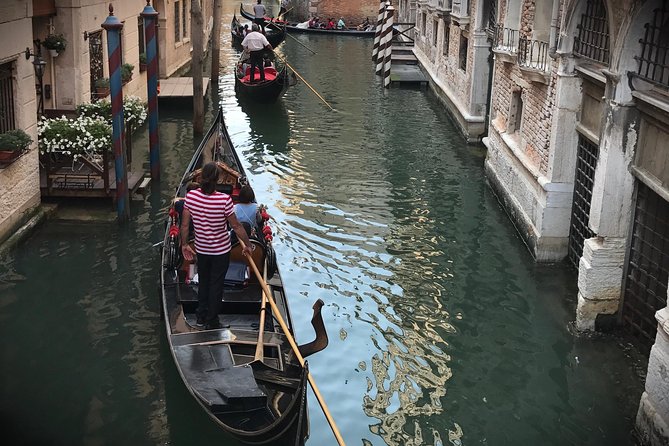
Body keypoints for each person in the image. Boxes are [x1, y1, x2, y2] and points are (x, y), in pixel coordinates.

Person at [180, 163, 253, 330]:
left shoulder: (191, 197)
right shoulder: (224, 200)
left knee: (204, 282)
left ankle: (200, 318)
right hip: (220, 251)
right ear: (218, 179)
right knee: (216, 285)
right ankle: (212, 320)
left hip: (202, 249)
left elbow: (184, 226)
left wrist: (184, 245)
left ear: (200, 178)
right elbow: (236, 226)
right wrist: (247, 245)